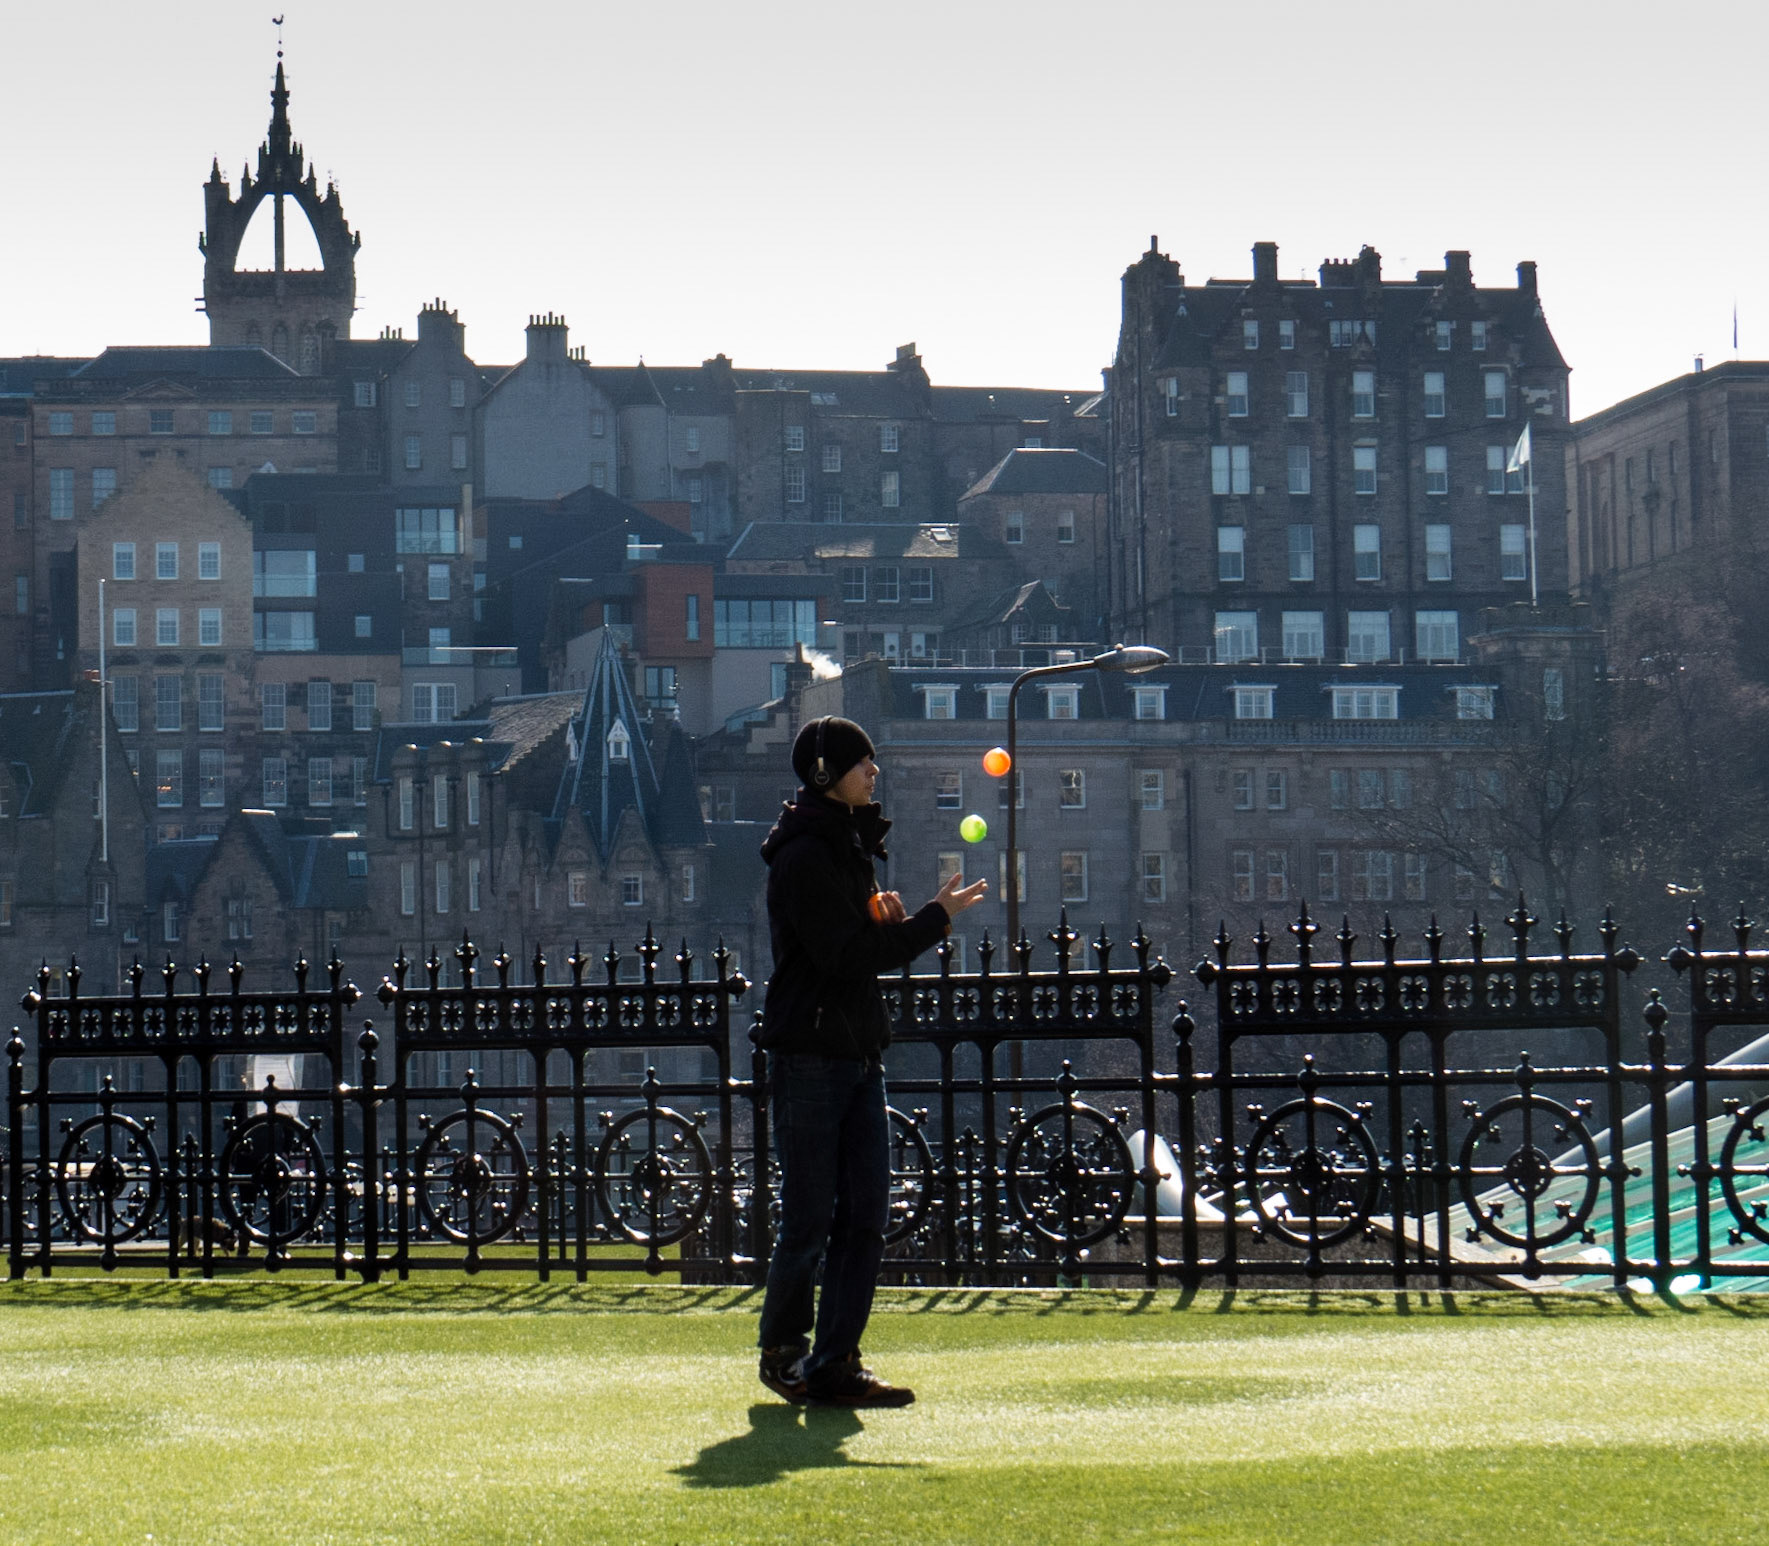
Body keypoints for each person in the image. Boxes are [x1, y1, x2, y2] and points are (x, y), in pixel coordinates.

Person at [754, 715, 987, 1408]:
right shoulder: (805, 855)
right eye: (863, 764)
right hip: (810, 1055)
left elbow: (851, 946)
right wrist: (930, 920)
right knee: (807, 1217)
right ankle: (786, 1353)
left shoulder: (843, 846)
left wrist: (884, 921)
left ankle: (838, 1361)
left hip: (854, 1051)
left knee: (864, 1216)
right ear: (827, 774)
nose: (873, 773)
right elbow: (844, 957)